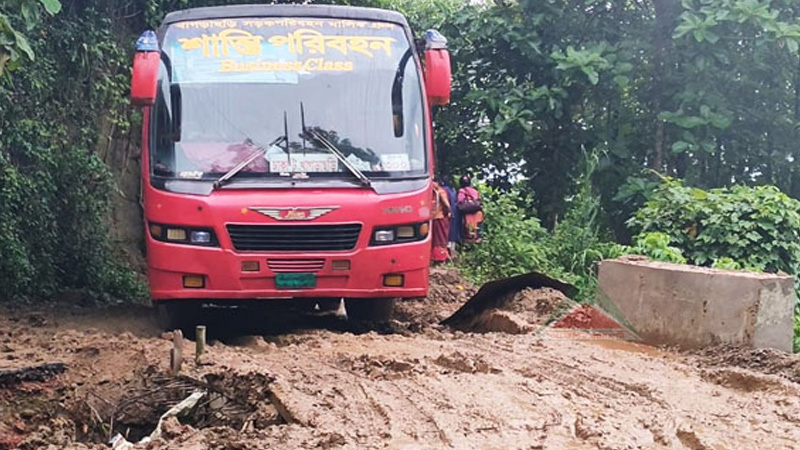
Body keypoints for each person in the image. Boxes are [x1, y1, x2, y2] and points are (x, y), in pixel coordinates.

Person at [457, 175, 483, 244]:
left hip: (467, 214)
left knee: (467, 231)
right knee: (477, 229)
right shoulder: (475, 191)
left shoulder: (462, 191)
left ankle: (467, 244)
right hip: (477, 213)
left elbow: (460, 201)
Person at [431, 179, 451, 263]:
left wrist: (448, 212)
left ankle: (441, 257)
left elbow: (447, 204)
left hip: (440, 218)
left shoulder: (439, 192)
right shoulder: (434, 192)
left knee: (440, 239)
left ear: (437, 183)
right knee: (438, 239)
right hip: (436, 218)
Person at [442, 176, 460, 258]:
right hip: (455, 213)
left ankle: (448, 252)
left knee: (447, 232)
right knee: (452, 231)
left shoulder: (444, 190)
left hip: (447, 214)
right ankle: (451, 251)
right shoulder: (453, 190)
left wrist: (449, 211)